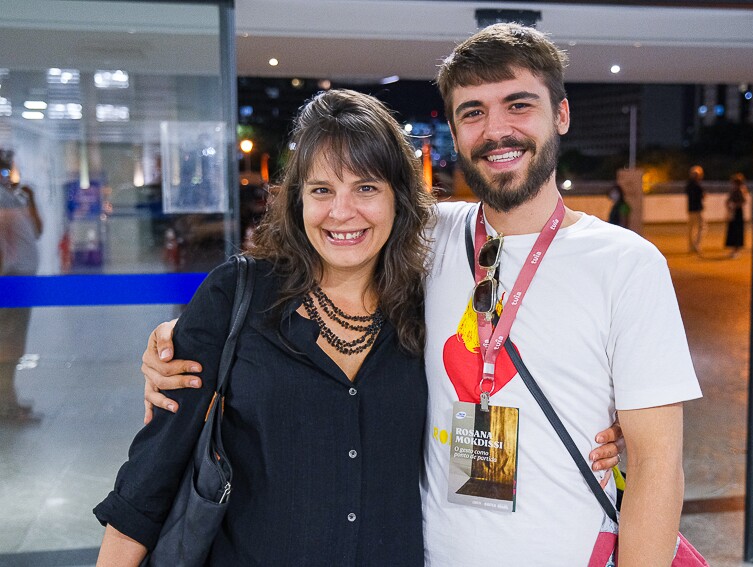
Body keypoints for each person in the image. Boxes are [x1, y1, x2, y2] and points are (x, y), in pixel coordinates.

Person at [141, 24, 698, 565]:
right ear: (455, 134)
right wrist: (183, 342)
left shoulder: (626, 265)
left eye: (519, 105)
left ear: (561, 114)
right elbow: (333, 239)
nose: (497, 130)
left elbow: (656, 465)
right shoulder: (426, 236)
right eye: (472, 112)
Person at [94, 89, 436, 565]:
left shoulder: (430, 308)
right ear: (296, 200)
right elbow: (152, 474)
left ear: (398, 198)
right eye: (322, 190)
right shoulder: (237, 294)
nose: (342, 212)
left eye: (366, 187)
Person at [0, 149, 42, 421]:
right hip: (10, 282)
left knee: (13, 346)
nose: (9, 175)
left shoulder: (13, 197)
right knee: (7, 346)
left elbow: (36, 231)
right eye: (5, 170)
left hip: (19, 281)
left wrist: (30, 200)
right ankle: (6, 405)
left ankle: (9, 400)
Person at [724, 173, 748, 258]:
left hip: (738, 212)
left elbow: (743, 201)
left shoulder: (740, 190)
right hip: (733, 212)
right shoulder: (733, 190)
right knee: (733, 230)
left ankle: (736, 250)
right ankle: (734, 249)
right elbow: (728, 200)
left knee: (737, 231)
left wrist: (734, 205)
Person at [686, 165, 706, 254]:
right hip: (697, 209)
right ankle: (696, 245)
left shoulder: (688, 185)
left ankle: (691, 246)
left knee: (691, 228)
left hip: (690, 208)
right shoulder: (698, 185)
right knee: (702, 227)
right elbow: (701, 196)